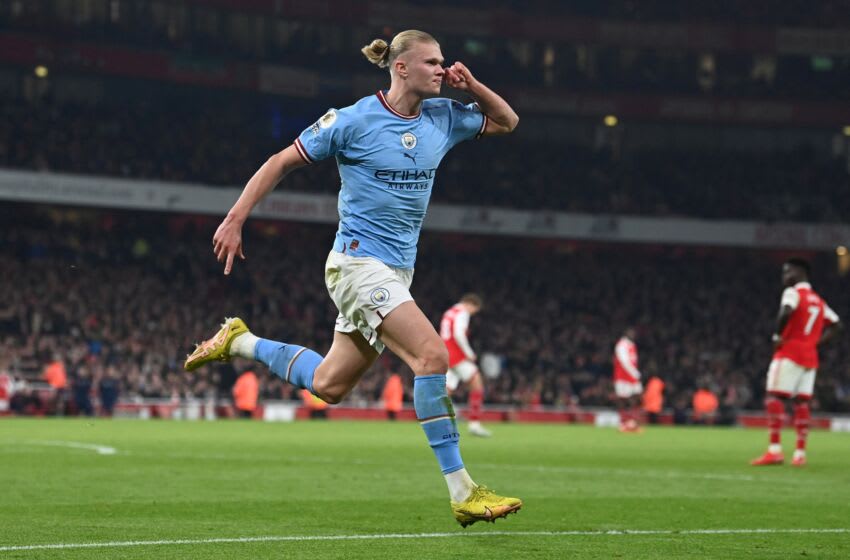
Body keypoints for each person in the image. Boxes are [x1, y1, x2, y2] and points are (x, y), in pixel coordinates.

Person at [184, 29, 521, 526]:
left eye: (444, 62)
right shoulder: (352, 121)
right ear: (401, 67)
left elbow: (507, 121)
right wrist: (235, 217)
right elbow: (281, 161)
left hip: (397, 271)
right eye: (432, 62)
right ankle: (463, 490)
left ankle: (241, 341)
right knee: (431, 355)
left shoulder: (443, 118)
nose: (441, 69)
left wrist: (471, 85)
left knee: (330, 385)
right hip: (356, 264)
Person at [751, 258, 842, 467]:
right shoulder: (819, 301)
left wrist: (777, 336)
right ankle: (800, 454)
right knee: (802, 403)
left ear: (800, 272)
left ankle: (774, 450)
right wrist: (815, 342)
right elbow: (837, 325)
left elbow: (786, 311)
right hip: (810, 356)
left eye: (787, 272)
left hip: (790, 352)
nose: (785, 277)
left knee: (774, 397)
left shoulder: (793, 293)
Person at [440, 294, 491, 437]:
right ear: (470, 304)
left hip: (445, 352)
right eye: (475, 310)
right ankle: (474, 424)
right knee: (477, 382)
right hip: (456, 354)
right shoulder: (462, 312)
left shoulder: (449, 312)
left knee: (447, 389)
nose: (473, 313)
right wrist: (468, 353)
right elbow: (458, 334)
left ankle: (438, 423)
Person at [613, 327, 643, 432]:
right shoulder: (621, 345)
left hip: (632, 377)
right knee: (623, 399)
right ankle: (623, 423)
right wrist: (635, 373)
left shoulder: (632, 345)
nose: (633, 334)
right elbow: (624, 361)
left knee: (637, 398)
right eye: (631, 333)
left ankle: (632, 422)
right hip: (622, 377)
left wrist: (634, 374)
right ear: (626, 333)